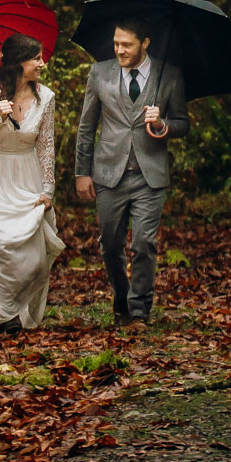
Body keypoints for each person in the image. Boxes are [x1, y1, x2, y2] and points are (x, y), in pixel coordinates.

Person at [73, 20, 190, 327]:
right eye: (116, 44)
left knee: (143, 244)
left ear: (145, 43)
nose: (119, 50)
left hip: (149, 176)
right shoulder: (99, 73)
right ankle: (122, 296)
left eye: (127, 44)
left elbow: (183, 123)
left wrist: (163, 125)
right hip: (109, 173)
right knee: (110, 244)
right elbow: (86, 128)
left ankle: (139, 309)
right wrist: (81, 173)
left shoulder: (170, 75)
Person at [0, 32, 65, 333]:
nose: (42, 64)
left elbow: (46, 146)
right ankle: (5, 315)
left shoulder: (46, 98)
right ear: (18, 62)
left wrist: (48, 189)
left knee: (32, 256)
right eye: (35, 58)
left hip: (25, 174)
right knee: (0, 245)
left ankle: (17, 308)